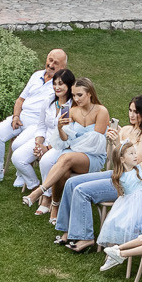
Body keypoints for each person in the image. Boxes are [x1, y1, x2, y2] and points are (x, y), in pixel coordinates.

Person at [56, 99, 142, 252]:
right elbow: (113, 159)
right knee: (72, 182)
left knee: (81, 191)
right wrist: (111, 144)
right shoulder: (125, 130)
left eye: (136, 112)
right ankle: (68, 230)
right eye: (130, 110)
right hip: (116, 173)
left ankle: (86, 237)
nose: (131, 114)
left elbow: (135, 164)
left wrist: (118, 143)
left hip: (128, 183)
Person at [25, 76, 114, 214]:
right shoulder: (72, 111)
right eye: (73, 95)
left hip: (93, 157)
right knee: (64, 170)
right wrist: (60, 129)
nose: (76, 99)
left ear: (89, 93)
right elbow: (65, 140)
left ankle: (40, 191)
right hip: (73, 156)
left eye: (80, 95)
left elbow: (94, 143)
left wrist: (71, 145)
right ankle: (55, 208)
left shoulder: (101, 111)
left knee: (65, 158)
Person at [0, 46, 66, 185]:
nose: (51, 65)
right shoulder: (36, 75)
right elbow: (20, 100)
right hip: (21, 118)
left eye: (56, 63)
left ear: (63, 67)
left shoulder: (61, 84)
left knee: (18, 145)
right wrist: (16, 116)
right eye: (50, 60)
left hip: (37, 123)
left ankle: (22, 174)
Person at [14, 69, 76, 191]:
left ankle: (47, 195)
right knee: (17, 157)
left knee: (46, 161)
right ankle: (35, 186)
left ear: (69, 85)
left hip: (61, 145)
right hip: (45, 140)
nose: (56, 87)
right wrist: (39, 144)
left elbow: (68, 134)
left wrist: (47, 149)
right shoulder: (49, 100)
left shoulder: (71, 106)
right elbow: (41, 126)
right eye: (55, 83)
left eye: (60, 84)